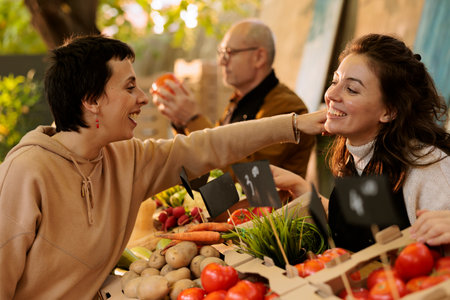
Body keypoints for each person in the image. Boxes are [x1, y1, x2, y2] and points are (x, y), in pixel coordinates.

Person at [0, 35, 326, 299]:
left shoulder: (126, 158)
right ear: (91, 100)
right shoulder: (26, 172)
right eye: (129, 87)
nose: (142, 97)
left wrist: (294, 124)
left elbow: (208, 145)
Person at [270, 33, 450, 252]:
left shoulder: (428, 168)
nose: (331, 95)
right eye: (334, 81)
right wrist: (300, 188)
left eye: (351, 89)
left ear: (389, 110)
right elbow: (363, 231)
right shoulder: (358, 155)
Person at [152, 19, 315, 178]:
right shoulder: (238, 99)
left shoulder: (287, 107)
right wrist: (182, 123)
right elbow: (211, 154)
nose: (221, 62)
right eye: (220, 53)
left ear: (259, 57)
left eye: (229, 53)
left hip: (271, 205)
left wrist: (192, 118)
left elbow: (248, 176)